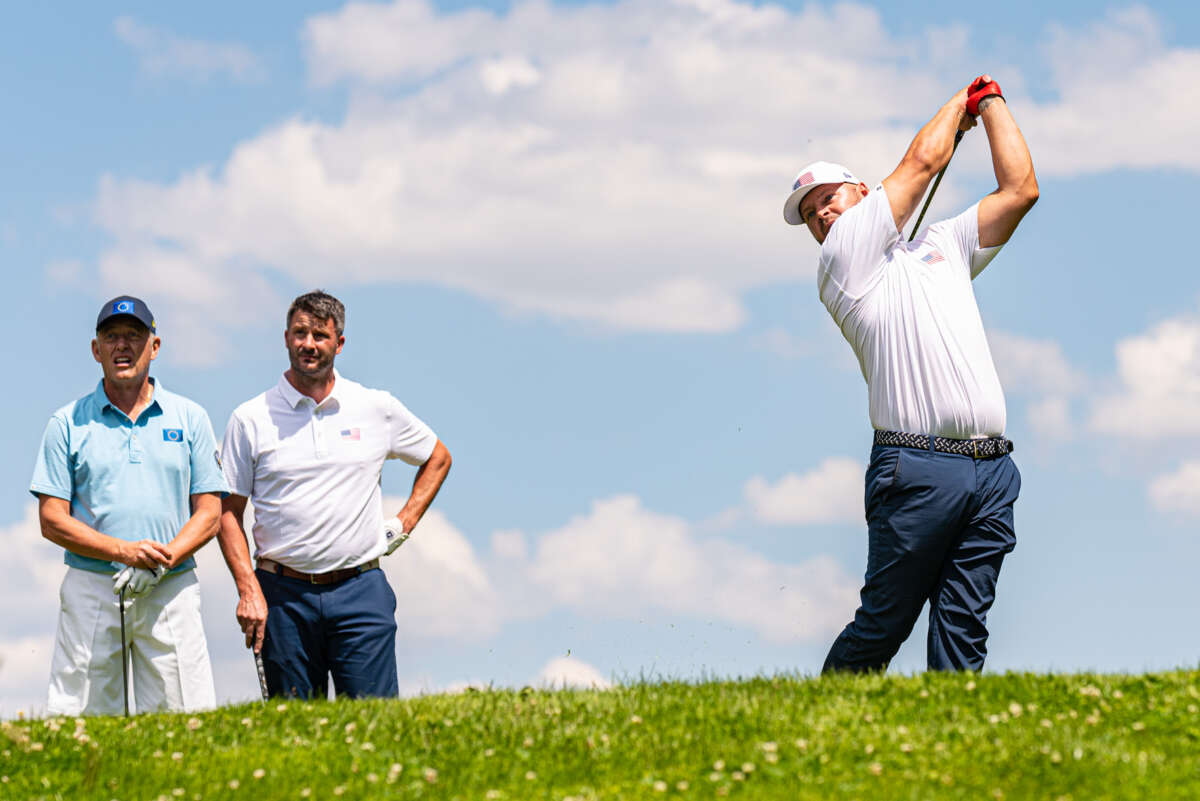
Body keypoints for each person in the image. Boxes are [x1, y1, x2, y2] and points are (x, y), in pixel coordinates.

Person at [782, 76, 1038, 672]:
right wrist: (960, 103)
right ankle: (819, 729)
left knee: (964, 627)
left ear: (865, 192)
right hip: (916, 466)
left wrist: (992, 104)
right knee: (884, 624)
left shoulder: (942, 243)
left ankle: (953, 749)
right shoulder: (843, 260)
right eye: (810, 211)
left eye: (829, 196)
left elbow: (1020, 190)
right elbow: (924, 161)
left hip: (993, 469)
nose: (820, 212)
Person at [217, 290, 452, 699]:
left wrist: (402, 526)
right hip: (282, 595)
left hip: (360, 590)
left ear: (339, 343)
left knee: (372, 726)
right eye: (300, 333)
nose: (308, 344)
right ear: (286, 337)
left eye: (320, 336)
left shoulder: (375, 406)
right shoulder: (250, 418)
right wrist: (248, 589)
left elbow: (437, 457)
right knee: (294, 732)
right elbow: (226, 513)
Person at [31, 296, 228, 714]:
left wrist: (161, 560)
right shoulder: (67, 423)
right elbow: (52, 519)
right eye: (111, 337)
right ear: (95, 349)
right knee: (81, 718)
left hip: (170, 586)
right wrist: (124, 552)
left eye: (134, 337)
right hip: (93, 587)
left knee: (184, 715)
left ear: (154, 346)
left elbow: (210, 513)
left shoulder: (190, 418)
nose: (122, 346)